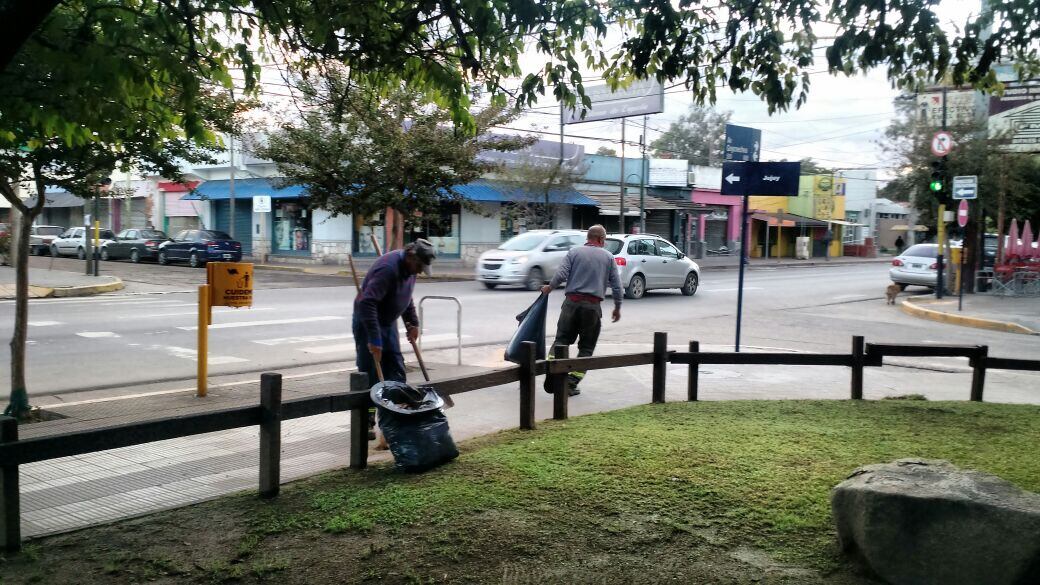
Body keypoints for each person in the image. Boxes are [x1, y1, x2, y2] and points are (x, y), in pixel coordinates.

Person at [540, 225, 622, 396]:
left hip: (570, 304)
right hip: (592, 308)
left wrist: (550, 287)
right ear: (600, 239)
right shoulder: (608, 257)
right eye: (604, 240)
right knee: (586, 348)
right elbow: (616, 285)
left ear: (589, 238)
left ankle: (552, 371)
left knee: (561, 340)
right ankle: (571, 382)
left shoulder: (574, 252)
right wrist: (617, 307)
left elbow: (561, 275)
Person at [353, 238, 436, 388]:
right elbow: (367, 303)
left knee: (396, 370)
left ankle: (395, 409)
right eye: (419, 266)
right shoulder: (388, 269)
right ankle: (370, 410)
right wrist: (374, 338)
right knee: (371, 376)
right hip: (368, 321)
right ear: (411, 255)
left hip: (388, 322)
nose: (419, 271)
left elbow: (406, 296)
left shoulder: (411, 269)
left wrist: (413, 322)